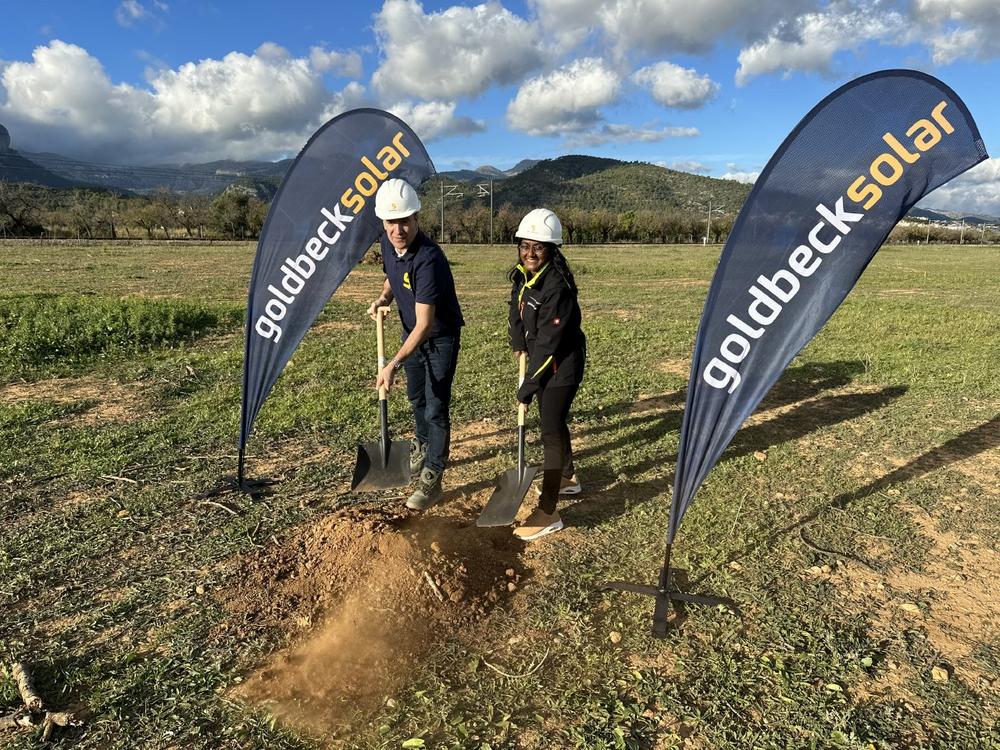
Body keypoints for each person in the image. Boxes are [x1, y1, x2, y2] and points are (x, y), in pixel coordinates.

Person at [368, 178, 464, 510]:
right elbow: (392, 276)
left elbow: (425, 324)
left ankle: (433, 475)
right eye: (392, 222)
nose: (398, 230)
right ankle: (422, 447)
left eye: (405, 221)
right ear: (383, 222)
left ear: (416, 218)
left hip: (438, 338)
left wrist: (392, 364)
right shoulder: (387, 242)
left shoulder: (429, 259)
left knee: (435, 407)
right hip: (411, 335)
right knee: (416, 398)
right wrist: (384, 297)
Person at [507, 208, 585, 541]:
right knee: (553, 421)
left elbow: (550, 344)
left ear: (552, 249)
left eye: (538, 247)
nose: (530, 253)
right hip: (542, 360)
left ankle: (549, 510)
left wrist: (529, 384)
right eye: (525, 246)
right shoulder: (524, 275)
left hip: (561, 367)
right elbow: (516, 307)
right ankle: (567, 477)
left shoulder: (557, 287)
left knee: (550, 431)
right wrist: (517, 339)